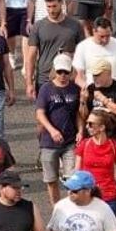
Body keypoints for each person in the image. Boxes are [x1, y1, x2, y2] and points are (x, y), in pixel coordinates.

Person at [35, 55, 84, 204]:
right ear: (54, 71)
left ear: (71, 72)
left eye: (66, 72)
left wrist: (80, 131)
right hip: (49, 142)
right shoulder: (46, 89)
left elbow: (78, 114)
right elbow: (40, 113)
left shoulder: (75, 89)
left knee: (72, 179)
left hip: (69, 141)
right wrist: (52, 130)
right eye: (59, 72)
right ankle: (56, 208)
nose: (62, 75)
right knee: (51, 180)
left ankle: (71, 207)